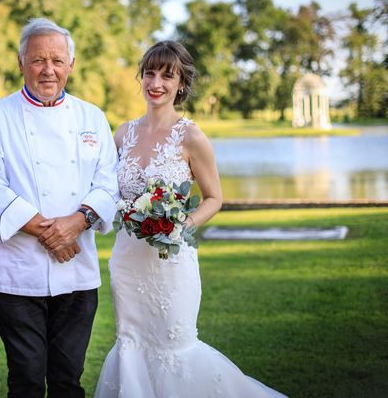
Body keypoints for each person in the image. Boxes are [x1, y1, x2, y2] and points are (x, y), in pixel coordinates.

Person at [94, 41, 287, 397]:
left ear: (181, 84)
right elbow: (108, 193)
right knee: (131, 342)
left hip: (172, 262)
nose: (156, 83)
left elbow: (214, 198)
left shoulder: (192, 136)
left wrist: (180, 227)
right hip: (128, 260)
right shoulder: (122, 134)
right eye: (150, 73)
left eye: (168, 76)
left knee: (174, 346)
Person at [0, 18, 119, 397]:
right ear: (21, 64)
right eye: (38, 60)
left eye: (57, 60)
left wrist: (77, 222)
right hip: (18, 273)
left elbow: (108, 183)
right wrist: (52, 233)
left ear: (71, 64)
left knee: (69, 380)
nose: (48, 69)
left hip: (77, 272)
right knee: (26, 379)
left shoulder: (92, 117)